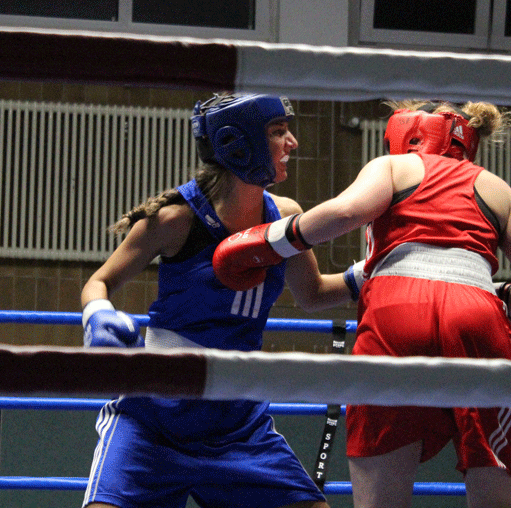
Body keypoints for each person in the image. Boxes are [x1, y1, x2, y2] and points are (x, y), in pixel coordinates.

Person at [213, 99, 511, 508]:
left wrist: (267, 242)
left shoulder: (393, 166)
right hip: (478, 312)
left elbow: (346, 211)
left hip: (395, 309)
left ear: (406, 131)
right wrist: (496, 294)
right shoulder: (495, 187)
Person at [80, 93, 358, 508]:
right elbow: (99, 281)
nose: (293, 143)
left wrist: (372, 274)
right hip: (154, 421)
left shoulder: (285, 216)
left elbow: (314, 294)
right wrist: (98, 314)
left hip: (238, 426)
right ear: (240, 143)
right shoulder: (176, 219)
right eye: (278, 131)